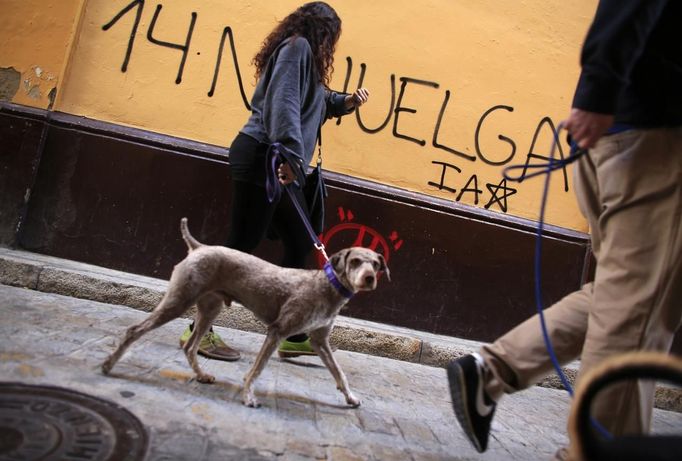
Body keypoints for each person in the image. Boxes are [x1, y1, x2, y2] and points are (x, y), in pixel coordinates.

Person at [446, 1, 682, 459]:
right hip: (655, 135)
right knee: (639, 308)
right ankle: (599, 451)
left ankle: (490, 371)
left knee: (637, 295)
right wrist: (600, 88)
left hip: (634, 130)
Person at [179, 2, 370, 361]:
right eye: (331, 37)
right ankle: (197, 332)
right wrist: (291, 156)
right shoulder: (297, 47)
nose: (331, 45)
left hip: (278, 160)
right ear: (322, 31)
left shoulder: (304, 59)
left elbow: (316, 102)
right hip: (265, 157)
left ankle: (294, 335)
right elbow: (282, 104)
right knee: (238, 250)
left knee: (299, 243)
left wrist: (346, 102)